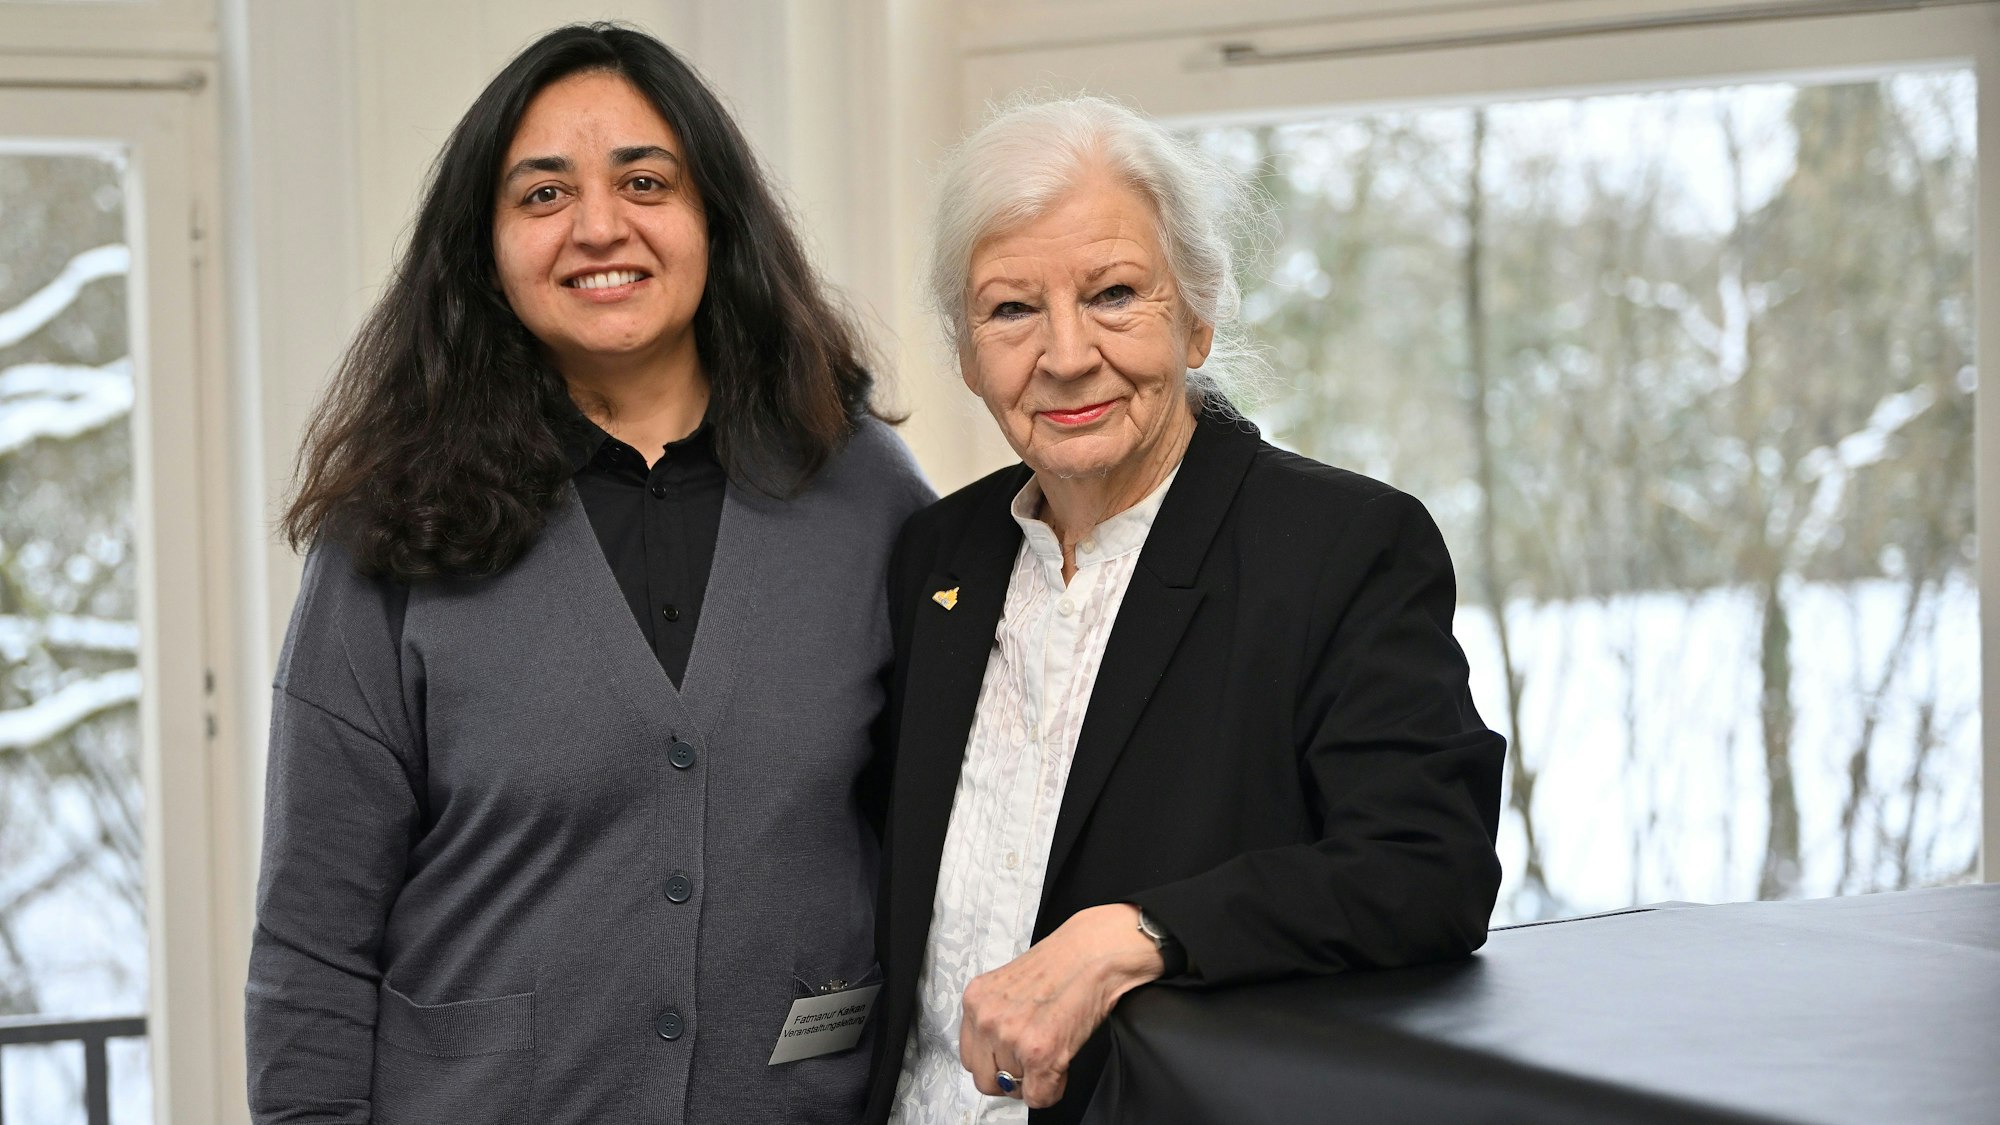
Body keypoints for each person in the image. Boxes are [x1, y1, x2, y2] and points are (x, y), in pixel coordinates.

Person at [245, 23, 931, 1124]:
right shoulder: (391, 526)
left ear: (715, 216)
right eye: (542, 195)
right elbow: (311, 942)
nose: (598, 226)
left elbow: (942, 835)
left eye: (645, 181)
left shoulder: (865, 493)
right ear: (485, 246)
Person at [865, 96, 1505, 1125]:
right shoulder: (933, 555)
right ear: (966, 350)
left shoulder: (1341, 545)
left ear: (1198, 312)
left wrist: (1132, 935)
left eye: (1113, 294)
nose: (1065, 355)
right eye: (1011, 310)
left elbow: (1425, 866)